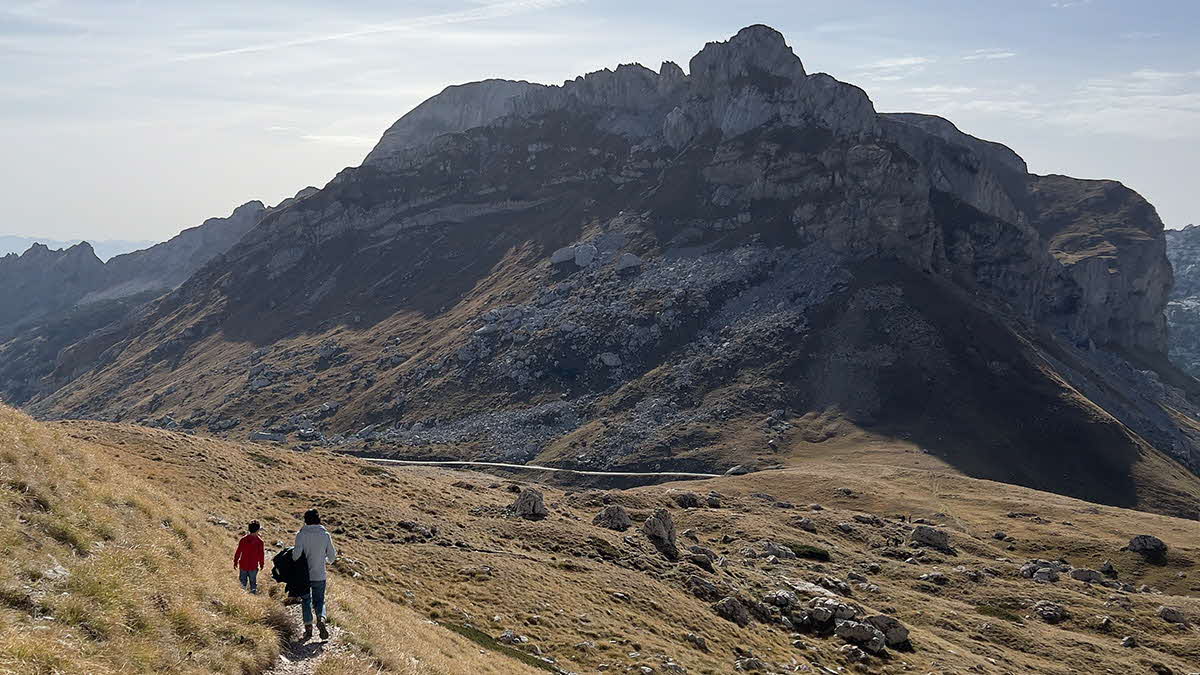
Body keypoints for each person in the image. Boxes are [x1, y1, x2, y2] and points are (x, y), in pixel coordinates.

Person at [292, 508, 337, 641]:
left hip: (305, 575)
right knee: (320, 601)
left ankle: (308, 630)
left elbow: (295, 556)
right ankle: (321, 619)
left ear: (305, 520)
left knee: (306, 600)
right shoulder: (325, 535)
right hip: (319, 573)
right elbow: (332, 556)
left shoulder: (301, 534)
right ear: (318, 519)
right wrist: (325, 561)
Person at [234, 520, 265, 593]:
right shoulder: (260, 542)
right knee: (253, 582)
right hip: (253, 566)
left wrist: (235, 561)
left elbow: (238, 551)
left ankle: (241, 594)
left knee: (242, 582)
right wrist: (261, 564)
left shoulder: (243, 539)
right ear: (258, 530)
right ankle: (253, 594)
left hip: (243, 564)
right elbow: (261, 554)